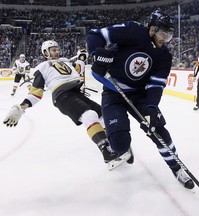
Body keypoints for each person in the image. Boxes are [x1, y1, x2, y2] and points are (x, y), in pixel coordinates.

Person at [85, 10, 194, 189]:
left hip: (139, 95)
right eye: (162, 34)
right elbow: (95, 35)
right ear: (152, 29)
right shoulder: (133, 31)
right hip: (113, 92)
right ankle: (116, 138)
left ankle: (176, 168)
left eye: (169, 35)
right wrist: (98, 53)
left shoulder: (164, 56)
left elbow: (156, 85)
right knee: (120, 145)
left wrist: (151, 107)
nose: (165, 39)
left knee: (158, 130)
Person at [3, 40, 129, 169]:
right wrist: (21, 107)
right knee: (89, 115)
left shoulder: (65, 61)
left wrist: (81, 59)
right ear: (46, 53)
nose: (57, 52)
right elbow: (36, 93)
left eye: (57, 49)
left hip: (76, 93)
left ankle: (118, 144)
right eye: (53, 50)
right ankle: (106, 151)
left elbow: (77, 73)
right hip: (62, 96)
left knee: (104, 115)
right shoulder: (42, 67)